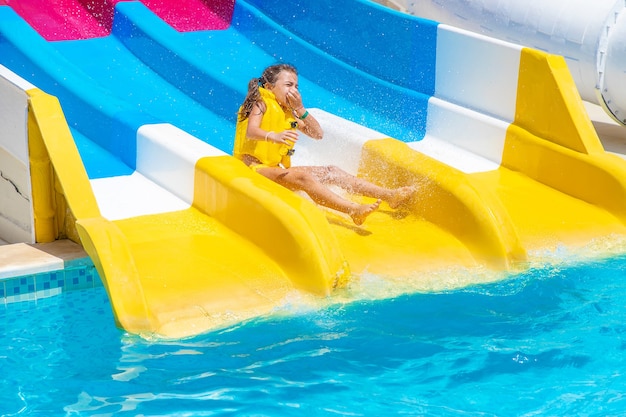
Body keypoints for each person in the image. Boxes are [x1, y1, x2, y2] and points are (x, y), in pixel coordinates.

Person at [233, 63, 416, 225]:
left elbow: (317, 134)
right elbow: (252, 131)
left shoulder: (290, 113)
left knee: (331, 171)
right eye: (288, 85)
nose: (294, 90)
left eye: (296, 86)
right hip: (253, 169)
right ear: (269, 86)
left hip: (273, 168)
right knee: (304, 178)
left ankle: (390, 195)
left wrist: (300, 109)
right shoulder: (260, 103)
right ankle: (353, 210)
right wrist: (274, 136)